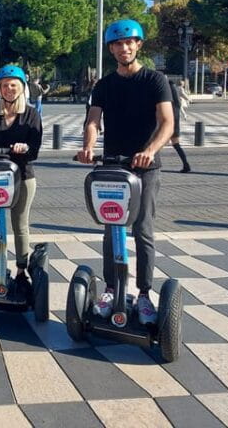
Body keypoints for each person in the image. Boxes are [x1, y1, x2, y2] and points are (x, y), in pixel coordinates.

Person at [77, 19, 174, 325]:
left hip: (145, 167)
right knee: (111, 227)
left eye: (129, 43)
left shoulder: (155, 80)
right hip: (112, 165)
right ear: (111, 49)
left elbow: (167, 122)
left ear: (138, 45)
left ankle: (144, 294)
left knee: (143, 229)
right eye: (118, 44)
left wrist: (150, 151)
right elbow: (93, 121)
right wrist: (88, 147)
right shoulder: (104, 85)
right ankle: (111, 287)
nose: (124, 48)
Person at [0, 64, 43, 279]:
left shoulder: (31, 114)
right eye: (4, 85)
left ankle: (21, 268)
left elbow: (34, 149)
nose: (9, 89)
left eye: (13, 85)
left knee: (20, 223)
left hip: (23, 176)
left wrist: (24, 148)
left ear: (22, 87)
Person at [168, 78, 191, 173]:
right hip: (175, 125)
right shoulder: (176, 101)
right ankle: (186, 164)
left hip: (168, 125)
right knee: (176, 145)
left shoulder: (168, 102)